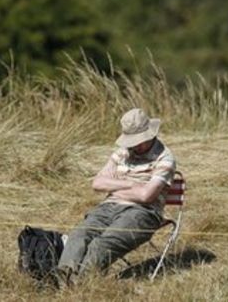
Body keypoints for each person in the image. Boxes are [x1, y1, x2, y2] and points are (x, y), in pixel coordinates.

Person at [55, 108, 177, 286]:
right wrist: (130, 185)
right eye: (133, 141)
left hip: (143, 213)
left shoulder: (165, 158)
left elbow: (146, 196)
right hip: (109, 207)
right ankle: (62, 280)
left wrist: (114, 188)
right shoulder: (122, 152)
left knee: (102, 244)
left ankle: (80, 286)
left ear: (150, 134)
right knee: (79, 235)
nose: (136, 146)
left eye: (140, 141)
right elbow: (97, 183)